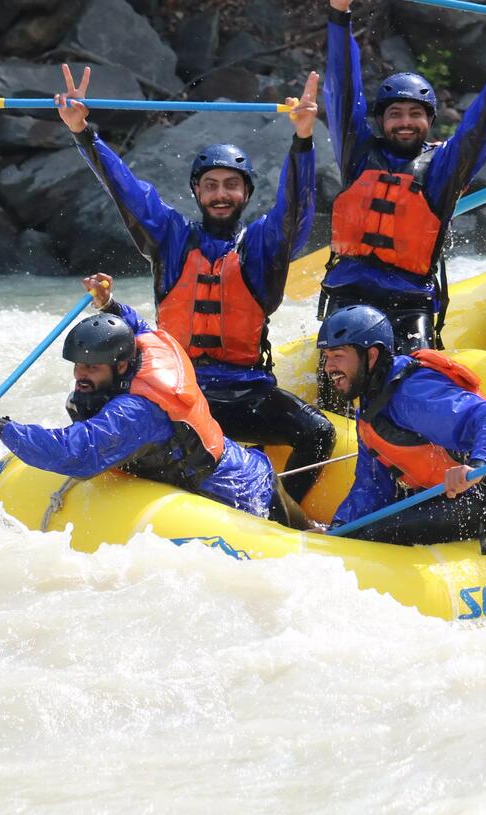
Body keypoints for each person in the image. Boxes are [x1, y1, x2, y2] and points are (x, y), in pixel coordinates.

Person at [54, 64, 335, 506]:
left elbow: (294, 209)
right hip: (175, 390)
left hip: (244, 394)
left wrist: (302, 140)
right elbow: (126, 190)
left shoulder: (262, 246)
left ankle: (278, 514)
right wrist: (82, 132)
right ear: (197, 192)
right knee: (87, 400)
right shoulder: (171, 238)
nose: (221, 194)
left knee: (318, 433)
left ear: (246, 193)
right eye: (211, 185)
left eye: (231, 185)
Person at [319, 0, 486, 360]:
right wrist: (339, 15)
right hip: (348, 295)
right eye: (395, 114)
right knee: (340, 378)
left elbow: (485, 121)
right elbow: (343, 90)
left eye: (415, 114)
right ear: (380, 121)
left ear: (429, 121)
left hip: (408, 302)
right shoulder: (358, 153)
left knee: (415, 378)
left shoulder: (443, 168)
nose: (405, 122)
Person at [0, 275, 298, 526]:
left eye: (92, 367)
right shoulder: (146, 345)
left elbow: (73, 452)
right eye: (78, 365)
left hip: (242, 495)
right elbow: (135, 324)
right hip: (246, 470)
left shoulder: (136, 412)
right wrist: (108, 303)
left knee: (306, 533)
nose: (81, 375)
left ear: (121, 366)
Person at [317, 305, 486, 546]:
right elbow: (372, 487)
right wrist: (338, 529)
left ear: (372, 355)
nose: (328, 368)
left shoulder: (413, 394)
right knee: (356, 533)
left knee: (372, 535)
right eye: (326, 357)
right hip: (446, 495)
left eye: (337, 356)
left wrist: (477, 467)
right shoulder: (369, 409)